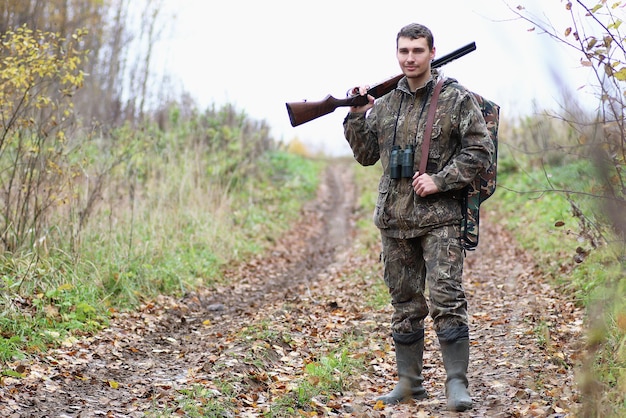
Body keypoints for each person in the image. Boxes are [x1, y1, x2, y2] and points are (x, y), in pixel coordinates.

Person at [343, 23, 494, 412]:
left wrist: (440, 180)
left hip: (440, 217)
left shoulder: (455, 98)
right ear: (397, 54)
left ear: (431, 52)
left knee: (446, 297)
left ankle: (456, 384)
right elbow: (365, 156)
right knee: (405, 302)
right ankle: (409, 383)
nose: (410, 58)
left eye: (417, 51)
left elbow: (480, 151)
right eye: (404, 51)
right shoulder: (386, 104)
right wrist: (357, 115)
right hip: (394, 219)